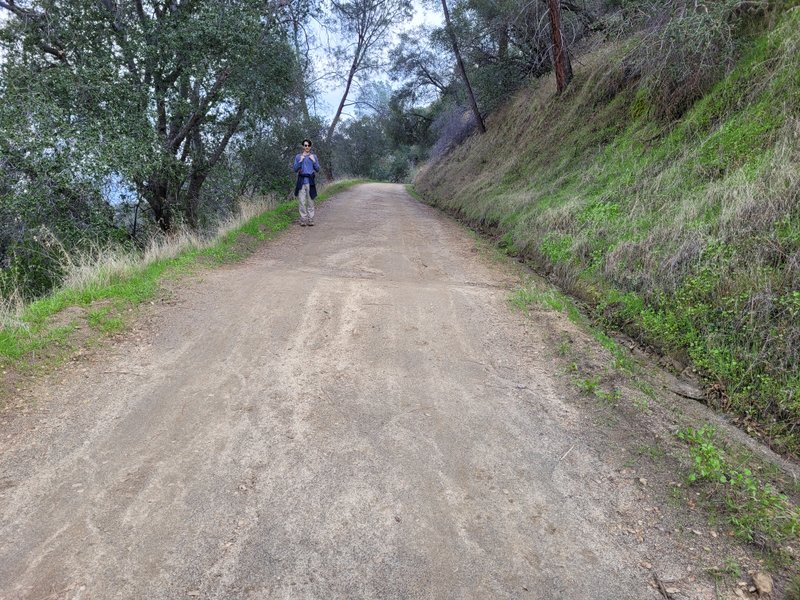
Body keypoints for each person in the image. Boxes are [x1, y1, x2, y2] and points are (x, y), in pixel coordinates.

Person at [293, 139, 320, 226]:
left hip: (310, 181)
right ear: (303, 146)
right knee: (301, 201)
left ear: (310, 146)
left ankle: (311, 219)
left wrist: (314, 161)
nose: (307, 147)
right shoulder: (298, 156)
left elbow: (318, 169)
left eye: (308, 145)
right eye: (305, 145)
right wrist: (300, 161)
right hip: (301, 181)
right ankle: (303, 219)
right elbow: (295, 169)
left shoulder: (314, 156)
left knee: (311, 201)